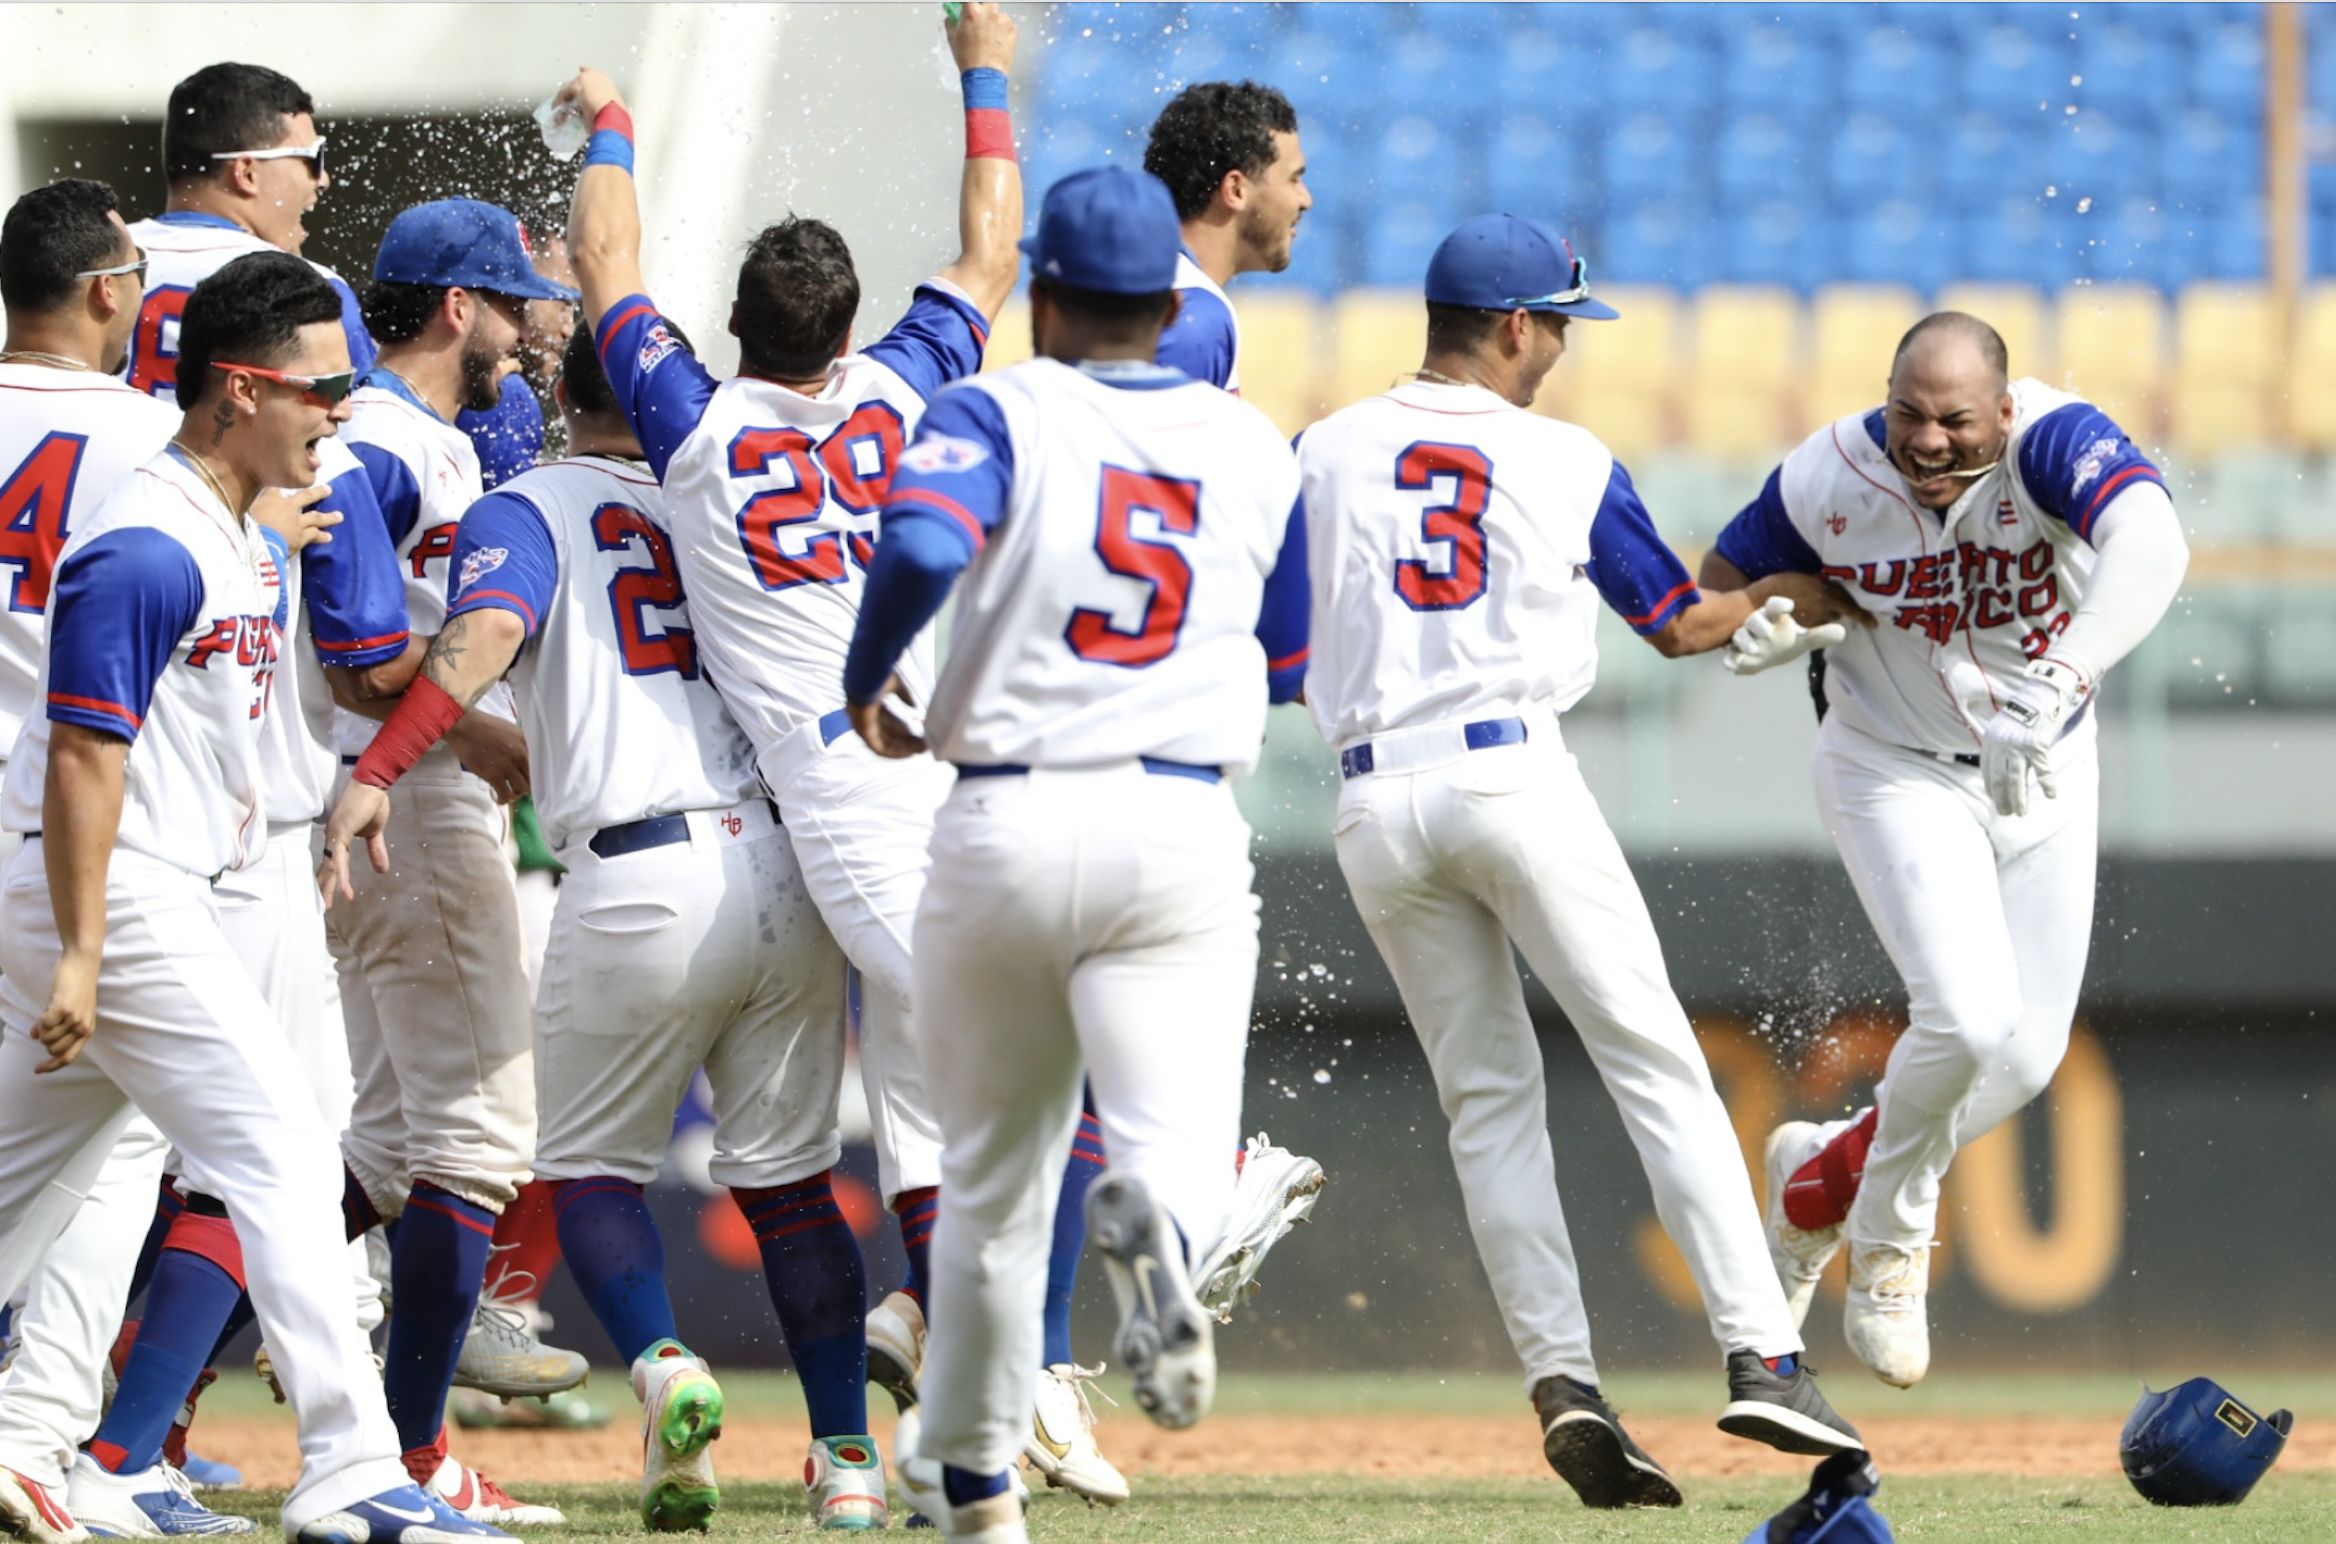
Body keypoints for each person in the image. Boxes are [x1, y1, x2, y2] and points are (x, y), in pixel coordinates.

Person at [1295, 214, 1865, 1509]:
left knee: (1487, 1104)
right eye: (1555, 321)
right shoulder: (1561, 455)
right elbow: (1679, 623)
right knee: (1654, 1062)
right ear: (1510, 325)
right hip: (1511, 771)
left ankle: (1565, 1385)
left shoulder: (1316, 448)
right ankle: (1764, 1355)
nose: (1558, 345)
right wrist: (1817, 597)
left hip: (1375, 800)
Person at [550, 3, 1018, 1502]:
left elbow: (610, 262)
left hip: (840, 793)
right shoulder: (907, 382)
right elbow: (990, 249)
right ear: (848, 320)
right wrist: (984, 70)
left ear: (737, 326)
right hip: (939, 764)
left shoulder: (685, 425)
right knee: (948, 1101)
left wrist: (612, 119)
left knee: (996, 1068)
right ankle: (889, 1420)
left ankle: (1023, 1327)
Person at [321, 322, 861, 1532]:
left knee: (585, 1171)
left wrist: (387, 763)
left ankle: (664, 1363)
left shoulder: (528, 503)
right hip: (789, 857)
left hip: (636, 870)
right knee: (794, 1187)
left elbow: (491, 633)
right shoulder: (726, 496)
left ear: (559, 398)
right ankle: (848, 1462)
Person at [842, 162, 1307, 1544]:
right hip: (1177, 817)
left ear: (1041, 296)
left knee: (987, 1188)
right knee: (1167, 1145)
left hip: (1005, 813)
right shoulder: (1251, 443)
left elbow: (924, 535)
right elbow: (1288, 657)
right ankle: (1153, 1234)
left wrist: (873, 675)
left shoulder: (1002, 404)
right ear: (1173, 304)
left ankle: (977, 1492)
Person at [0, 248, 496, 1544]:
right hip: (99, 888)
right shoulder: (146, 547)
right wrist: (81, 952)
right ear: (237, 388)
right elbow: (80, 754)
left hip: (133, 882)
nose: (342, 408)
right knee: (280, 1141)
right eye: (319, 388)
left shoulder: (227, 523)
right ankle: (348, 1473)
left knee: (23, 1181)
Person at [1700, 311, 2190, 1389]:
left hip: (2045, 759)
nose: (1924, 441)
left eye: (1954, 420)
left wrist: (2058, 679)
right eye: (1905, 413)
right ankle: (1885, 1244)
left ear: (2002, 412)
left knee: (2019, 1058)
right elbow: (1722, 580)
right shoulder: (1824, 474)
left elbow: (2152, 542)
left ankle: (1813, 1181)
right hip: (1893, 764)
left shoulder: (2051, 442)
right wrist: (1772, 617)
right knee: (1964, 1017)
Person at [323, 198, 583, 1526]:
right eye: (506, 298)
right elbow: (357, 651)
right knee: (477, 1140)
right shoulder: (379, 438)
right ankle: (413, 1459)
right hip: (413, 798)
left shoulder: (412, 434)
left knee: (372, 1153)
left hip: (387, 800)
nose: (526, 323)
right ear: (452, 309)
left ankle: (120, 1386)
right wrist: (472, 733)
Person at [0, 177, 187, 1540]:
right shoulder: (149, 440)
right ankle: (42, 1433)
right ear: (110, 292)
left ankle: (42, 1440)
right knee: (117, 1122)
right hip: (57, 824)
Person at [124, 63, 371, 400]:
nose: (322, 179)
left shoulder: (86, 265)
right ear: (246, 173)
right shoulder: (312, 289)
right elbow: (350, 432)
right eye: (313, 158)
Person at [1141, 79, 1311, 389]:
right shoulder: (1192, 317)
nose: (1305, 200)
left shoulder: (1150, 287)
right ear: (1235, 190)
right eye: (1294, 179)